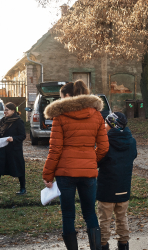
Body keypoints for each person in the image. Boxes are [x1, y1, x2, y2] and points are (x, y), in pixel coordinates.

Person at [42, 80, 109, 250]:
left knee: (68, 215)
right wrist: (91, 161)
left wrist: (47, 175)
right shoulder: (96, 115)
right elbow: (104, 147)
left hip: (65, 173)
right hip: (88, 173)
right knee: (90, 213)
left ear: (67, 96)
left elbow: (55, 149)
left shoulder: (60, 116)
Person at [97, 112, 137, 250]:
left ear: (111, 125)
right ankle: (124, 245)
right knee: (122, 218)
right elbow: (133, 156)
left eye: (105, 123)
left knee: (104, 220)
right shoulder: (131, 141)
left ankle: (102, 245)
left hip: (106, 187)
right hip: (124, 186)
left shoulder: (105, 142)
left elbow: (97, 160)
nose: (103, 125)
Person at [0, 102, 26, 194]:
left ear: (13, 110)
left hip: (14, 150)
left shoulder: (18, 121)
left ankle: (23, 188)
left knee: (19, 168)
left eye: (7, 110)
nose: (5, 112)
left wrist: (13, 138)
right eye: (4, 110)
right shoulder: (3, 120)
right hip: (3, 149)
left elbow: (23, 136)